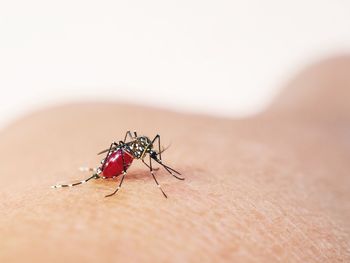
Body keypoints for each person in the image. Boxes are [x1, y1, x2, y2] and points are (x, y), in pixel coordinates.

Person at [0, 56, 349, 262]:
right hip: (117, 159)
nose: (149, 155)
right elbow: (131, 150)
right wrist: (134, 168)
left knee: (134, 144)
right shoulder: (133, 150)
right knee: (131, 146)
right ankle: (112, 175)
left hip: (117, 153)